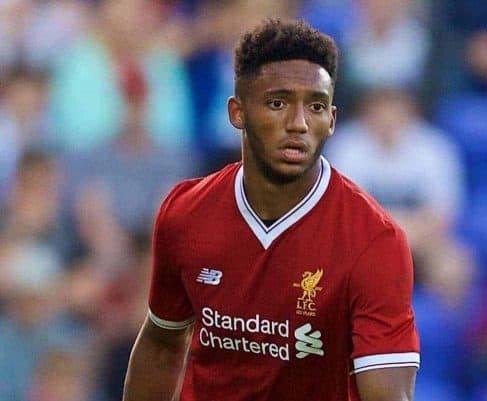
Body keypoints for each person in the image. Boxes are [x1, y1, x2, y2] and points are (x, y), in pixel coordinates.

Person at [123, 19, 419, 401]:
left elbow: (387, 395)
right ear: (237, 112)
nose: (298, 123)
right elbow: (163, 343)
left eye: (315, 106)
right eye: (278, 103)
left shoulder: (374, 239)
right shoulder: (186, 213)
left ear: (331, 120)